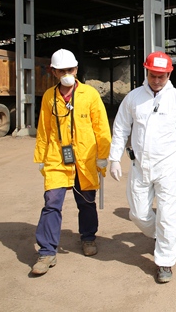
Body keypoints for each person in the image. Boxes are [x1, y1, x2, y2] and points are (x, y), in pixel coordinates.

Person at [107, 51, 176, 283]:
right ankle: (161, 236)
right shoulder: (134, 98)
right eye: (152, 75)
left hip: (167, 165)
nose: (156, 80)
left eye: (161, 76)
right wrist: (115, 158)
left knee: (168, 215)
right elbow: (120, 129)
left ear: (169, 74)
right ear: (146, 72)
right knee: (138, 214)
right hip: (139, 165)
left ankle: (165, 262)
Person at [32, 49, 111, 275]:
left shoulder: (90, 94)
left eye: (70, 69)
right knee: (51, 202)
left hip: (85, 158)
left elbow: (101, 127)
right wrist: (41, 157)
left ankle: (88, 238)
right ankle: (47, 252)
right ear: (54, 72)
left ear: (76, 70)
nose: (67, 74)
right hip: (57, 157)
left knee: (86, 201)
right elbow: (44, 130)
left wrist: (103, 156)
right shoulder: (49, 96)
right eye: (62, 70)